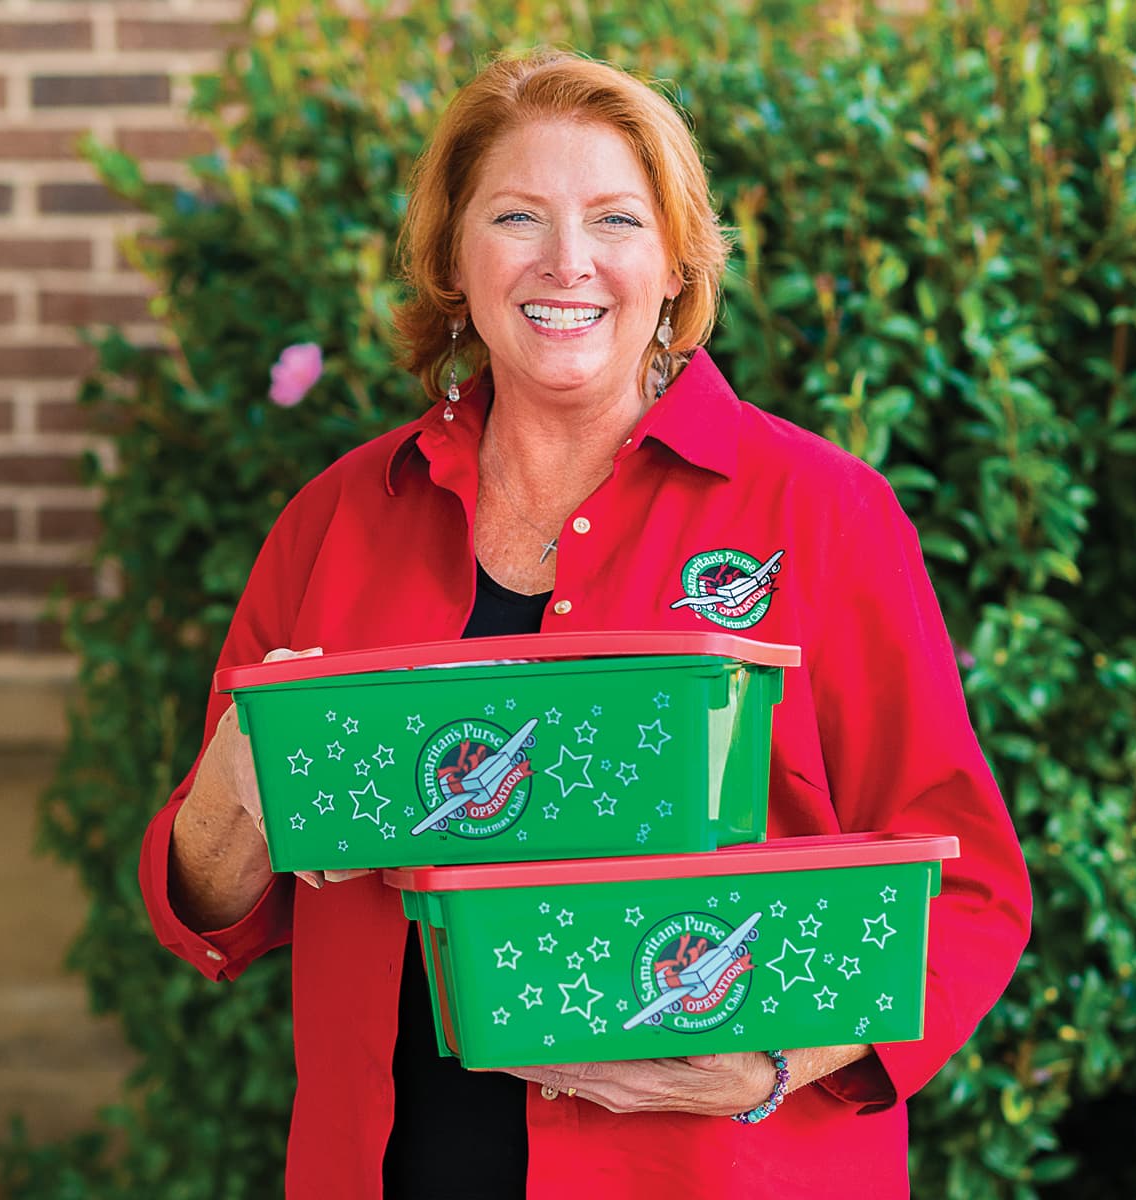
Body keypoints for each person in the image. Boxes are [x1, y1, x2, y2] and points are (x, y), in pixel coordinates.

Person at [140, 47, 1030, 1199]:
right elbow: (214, 914)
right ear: (456, 259)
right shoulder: (340, 521)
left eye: (616, 218)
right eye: (517, 216)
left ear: (675, 264)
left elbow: (971, 893)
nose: (568, 262)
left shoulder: (820, 513)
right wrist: (233, 795)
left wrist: (764, 1066)